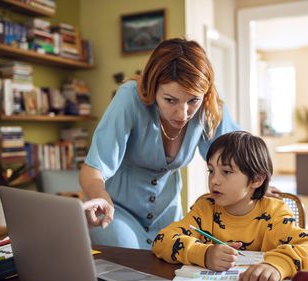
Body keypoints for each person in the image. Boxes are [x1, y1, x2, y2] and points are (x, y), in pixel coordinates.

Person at [79, 37, 239, 249]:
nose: (183, 114)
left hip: (169, 215)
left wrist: (258, 183)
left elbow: (239, 159)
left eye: (193, 100)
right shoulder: (129, 98)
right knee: (128, 258)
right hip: (116, 210)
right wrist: (100, 197)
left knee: (172, 269)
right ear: (153, 89)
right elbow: (93, 168)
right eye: (170, 100)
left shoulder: (209, 107)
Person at [152, 131, 308, 281]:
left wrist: (276, 266)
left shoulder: (274, 212)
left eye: (227, 171)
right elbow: (162, 240)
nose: (214, 180)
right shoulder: (205, 208)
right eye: (211, 170)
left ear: (257, 179)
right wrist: (203, 254)